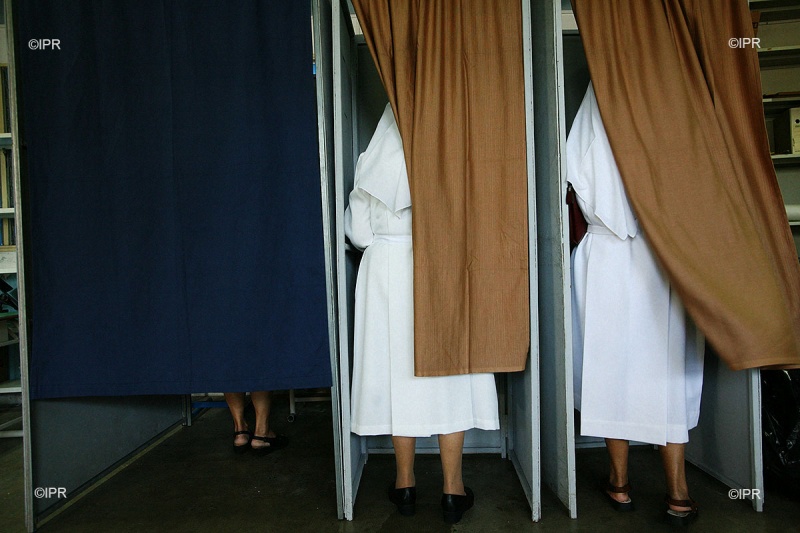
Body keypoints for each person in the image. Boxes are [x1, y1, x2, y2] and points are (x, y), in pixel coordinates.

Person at [345, 103, 500, 524]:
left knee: (398, 378)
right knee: (451, 378)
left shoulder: (371, 163)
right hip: (443, 266)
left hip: (385, 272)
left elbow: (358, 233)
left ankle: (405, 484)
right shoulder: (454, 154)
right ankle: (452, 489)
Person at [569, 83, 705, 526]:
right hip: (662, 253)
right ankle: (678, 494)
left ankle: (620, 483)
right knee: (665, 370)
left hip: (602, 256)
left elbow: (573, 172)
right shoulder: (666, 106)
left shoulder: (592, 116)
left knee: (608, 369)